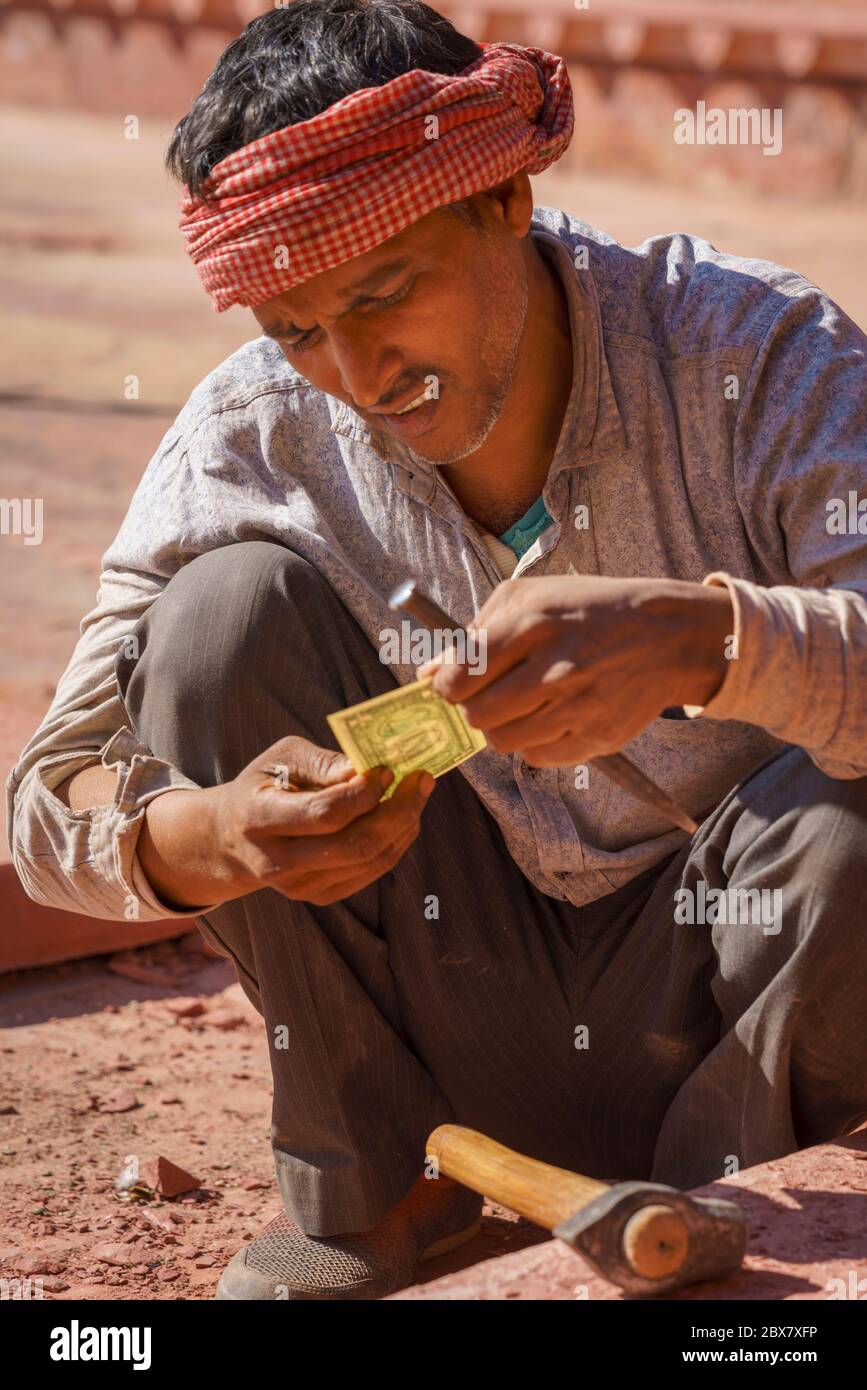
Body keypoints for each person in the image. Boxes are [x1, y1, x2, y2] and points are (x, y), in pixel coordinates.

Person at [7, 0, 867, 1300]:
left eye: (384, 291)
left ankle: (718, 1206)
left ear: (510, 200)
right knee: (218, 620)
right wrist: (211, 837)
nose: (353, 371)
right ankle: (380, 1202)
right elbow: (43, 796)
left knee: (849, 803)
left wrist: (709, 640)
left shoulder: (756, 353)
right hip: (460, 1003)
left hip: (743, 1005)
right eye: (295, 327)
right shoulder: (255, 431)